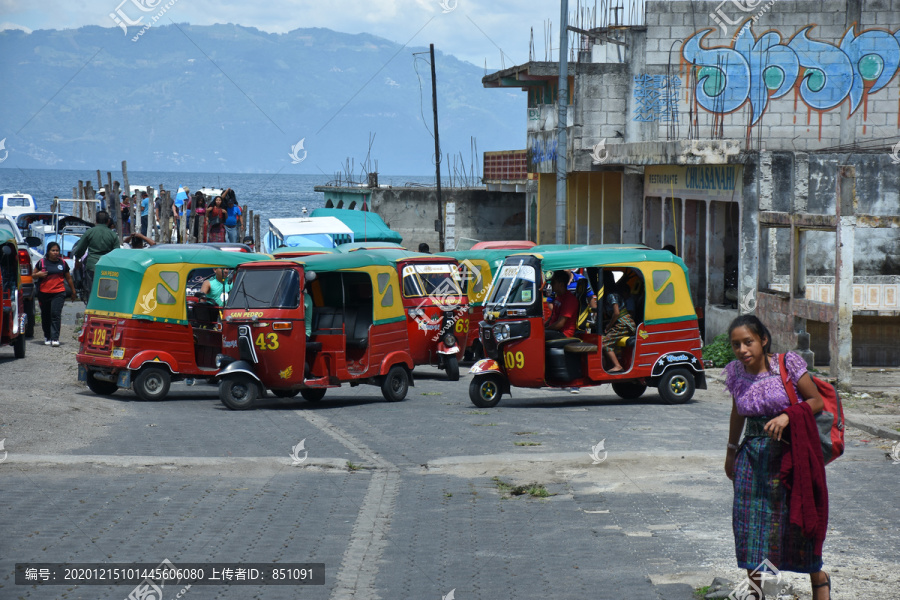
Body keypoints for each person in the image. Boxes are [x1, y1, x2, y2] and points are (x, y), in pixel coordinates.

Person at [724, 315, 830, 600]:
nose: (742, 350)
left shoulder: (787, 364)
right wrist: (731, 451)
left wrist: (787, 416)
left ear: (763, 340)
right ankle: (755, 593)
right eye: (736, 345)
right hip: (751, 459)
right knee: (749, 527)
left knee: (796, 521)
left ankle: (819, 581)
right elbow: (738, 412)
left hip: (790, 457)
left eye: (748, 342)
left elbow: (816, 400)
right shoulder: (735, 372)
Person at [33, 242, 76, 346]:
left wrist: (73, 291)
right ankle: (47, 336)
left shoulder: (62, 263)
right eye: (53, 250)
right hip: (44, 293)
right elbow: (32, 275)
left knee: (55, 314)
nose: (55, 252)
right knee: (46, 315)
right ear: (48, 251)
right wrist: (38, 274)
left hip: (59, 292)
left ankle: (55, 338)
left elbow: (68, 278)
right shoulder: (41, 263)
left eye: (57, 250)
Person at [72, 211, 121, 301]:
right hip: (107, 266)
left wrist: (77, 260)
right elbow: (117, 252)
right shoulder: (113, 234)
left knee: (91, 290)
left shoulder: (89, 232)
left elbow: (80, 249)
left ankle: (91, 310)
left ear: (96, 221)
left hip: (92, 266)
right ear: (108, 221)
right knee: (107, 292)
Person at [600, 272, 635, 373]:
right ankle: (611, 364)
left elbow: (616, 313)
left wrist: (609, 326)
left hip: (623, 323)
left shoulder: (611, 295)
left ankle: (617, 365)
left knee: (605, 343)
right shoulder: (614, 292)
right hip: (623, 323)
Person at [544, 270, 578, 340]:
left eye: (553, 283)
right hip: (555, 331)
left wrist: (544, 329)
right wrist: (542, 326)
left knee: (538, 336)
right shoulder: (558, 297)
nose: (551, 285)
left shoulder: (569, 300)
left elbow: (560, 324)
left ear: (561, 284)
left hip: (564, 334)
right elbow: (552, 316)